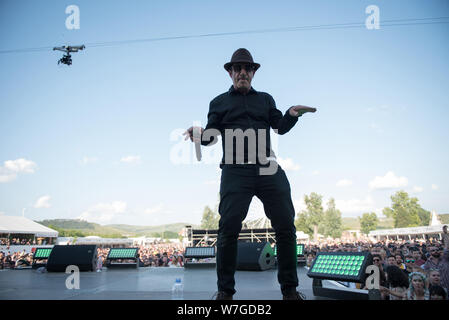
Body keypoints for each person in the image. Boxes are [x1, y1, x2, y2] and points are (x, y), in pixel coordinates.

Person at [184, 48, 316, 300]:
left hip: (267, 166)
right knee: (228, 229)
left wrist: (291, 114)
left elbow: (280, 127)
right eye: (237, 69)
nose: (242, 72)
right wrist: (199, 136)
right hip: (235, 169)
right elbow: (212, 136)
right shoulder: (219, 102)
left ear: (253, 72)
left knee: (286, 227)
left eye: (247, 68)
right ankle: (225, 291)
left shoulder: (265, 99)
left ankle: (290, 290)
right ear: (230, 73)